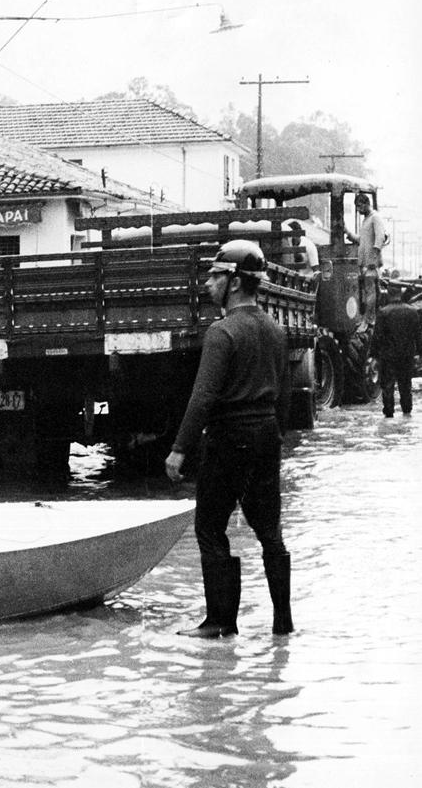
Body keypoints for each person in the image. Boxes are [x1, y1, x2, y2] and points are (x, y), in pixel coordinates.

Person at [165, 240, 293, 638]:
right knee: (270, 530)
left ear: (235, 282)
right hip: (266, 435)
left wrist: (179, 450)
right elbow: (286, 395)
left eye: (215, 276)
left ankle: (221, 622)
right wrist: (274, 436)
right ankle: (282, 624)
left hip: (229, 436)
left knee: (210, 527)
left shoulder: (222, 333)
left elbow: (202, 397)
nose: (207, 284)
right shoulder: (275, 329)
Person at [370, 285, 422, 417]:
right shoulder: (412, 312)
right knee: (406, 385)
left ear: (388, 294)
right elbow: (418, 335)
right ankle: (407, 412)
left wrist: (374, 356)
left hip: (388, 357)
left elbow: (377, 337)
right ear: (401, 293)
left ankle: (388, 414)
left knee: (387, 386)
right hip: (407, 356)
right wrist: (420, 354)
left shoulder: (383, 312)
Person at [345, 193, 389, 270]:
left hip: (372, 266)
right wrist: (347, 231)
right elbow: (362, 240)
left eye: (359, 206)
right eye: (357, 207)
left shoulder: (375, 217)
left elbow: (380, 237)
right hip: (365, 265)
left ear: (367, 204)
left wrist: (373, 260)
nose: (358, 209)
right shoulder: (366, 220)